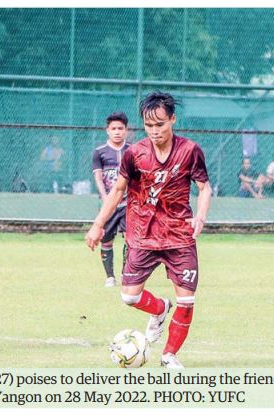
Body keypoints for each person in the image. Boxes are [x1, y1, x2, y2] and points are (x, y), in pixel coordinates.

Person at [85, 91, 211, 369]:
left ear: (173, 120)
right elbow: (118, 190)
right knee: (129, 296)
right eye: (149, 125)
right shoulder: (135, 154)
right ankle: (160, 308)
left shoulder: (190, 151)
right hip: (142, 235)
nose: (154, 131)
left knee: (187, 300)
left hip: (179, 236)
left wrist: (200, 218)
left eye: (160, 124)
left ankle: (169, 355)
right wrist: (98, 225)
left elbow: (204, 188)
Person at [92, 111, 131, 287]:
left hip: (128, 204)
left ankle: (125, 274)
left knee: (130, 239)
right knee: (106, 239)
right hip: (109, 204)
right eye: (113, 128)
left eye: (120, 128)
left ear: (126, 130)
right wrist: (105, 198)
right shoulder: (99, 152)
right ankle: (110, 276)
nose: (117, 132)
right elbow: (99, 178)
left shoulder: (133, 150)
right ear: (107, 130)